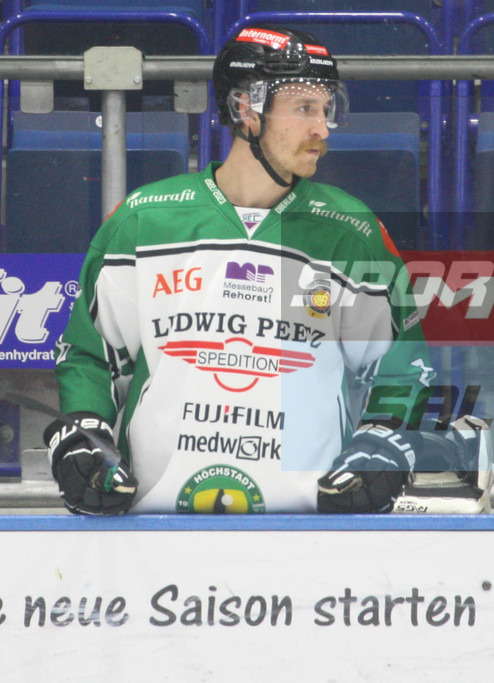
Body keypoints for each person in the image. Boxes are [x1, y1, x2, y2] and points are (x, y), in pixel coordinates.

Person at [43, 25, 438, 515]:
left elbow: (403, 364)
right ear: (243, 108)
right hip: (151, 525)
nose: (321, 128)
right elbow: (91, 354)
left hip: (313, 528)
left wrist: (383, 442)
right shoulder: (145, 219)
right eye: (303, 108)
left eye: (326, 109)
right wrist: (83, 430)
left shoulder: (349, 230)